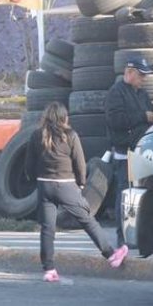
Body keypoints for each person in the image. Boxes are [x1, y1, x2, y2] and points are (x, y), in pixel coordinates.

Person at [26, 102, 128, 282]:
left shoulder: (36, 135)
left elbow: (29, 165)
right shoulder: (70, 135)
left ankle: (49, 270)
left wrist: (37, 179)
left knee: (48, 228)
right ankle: (111, 255)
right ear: (64, 118)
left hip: (44, 185)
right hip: (66, 185)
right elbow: (80, 164)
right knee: (88, 220)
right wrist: (81, 184)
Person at [105, 57, 153, 246]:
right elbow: (115, 121)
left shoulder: (142, 94)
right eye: (141, 75)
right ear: (129, 72)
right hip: (125, 153)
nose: (143, 79)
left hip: (143, 152)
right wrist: (143, 116)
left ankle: (142, 236)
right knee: (125, 195)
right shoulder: (115, 93)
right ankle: (122, 238)